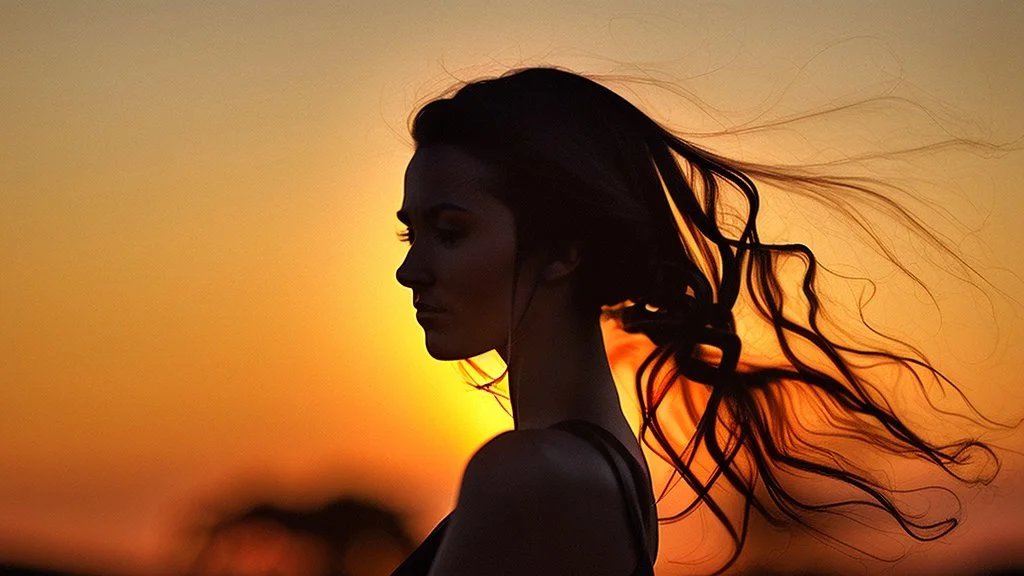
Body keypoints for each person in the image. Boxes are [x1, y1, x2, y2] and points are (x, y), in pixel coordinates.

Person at [390, 67, 1000, 575]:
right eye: (410, 233)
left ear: (564, 250)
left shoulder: (530, 474)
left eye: (449, 232)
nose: (409, 271)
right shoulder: (612, 471)